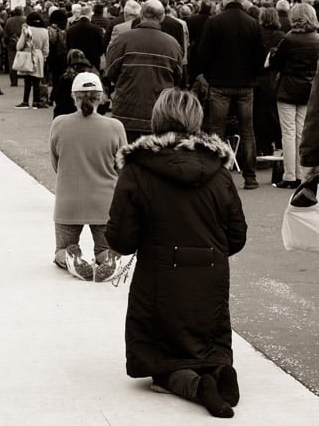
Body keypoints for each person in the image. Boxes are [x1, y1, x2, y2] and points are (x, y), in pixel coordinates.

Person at [106, 88, 247, 418]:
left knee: (164, 361)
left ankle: (196, 387)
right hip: (210, 277)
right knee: (208, 346)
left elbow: (121, 238)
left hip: (160, 280)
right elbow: (236, 235)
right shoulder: (219, 170)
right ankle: (219, 369)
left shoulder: (139, 169)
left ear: (156, 120)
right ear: (197, 121)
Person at [49, 72, 126, 281]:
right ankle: (108, 259)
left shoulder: (59, 124)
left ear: (74, 97)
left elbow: (56, 163)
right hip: (104, 203)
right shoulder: (115, 127)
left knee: (61, 248)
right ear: (101, 98)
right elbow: (123, 168)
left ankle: (70, 257)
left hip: (68, 202)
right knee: (104, 248)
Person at [197, 0, 266, 189]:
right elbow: (259, 57)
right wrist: (252, 76)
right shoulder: (253, 23)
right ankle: (250, 176)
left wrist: (209, 76)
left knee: (217, 128)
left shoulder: (214, 22)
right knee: (247, 130)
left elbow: (203, 55)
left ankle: (217, 174)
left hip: (220, 83)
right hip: (245, 85)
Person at [106, 0, 183, 142]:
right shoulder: (173, 45)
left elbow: (110, 71)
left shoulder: (123, 40)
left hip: (126, 111)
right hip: (159, 115)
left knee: (126, 158)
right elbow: (178, 78)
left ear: (141, 15)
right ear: (162, 17)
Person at [268, 3, 319, 188]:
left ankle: (290, 176)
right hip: (309, 90)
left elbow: (277, 64)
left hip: (288, 91)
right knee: (302, 133)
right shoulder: (317, 39)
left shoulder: (289, 39)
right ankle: (301, 173)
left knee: (288, 133)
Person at [254, 7, 285, 156]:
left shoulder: (255, 34)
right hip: (273, 81)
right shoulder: (281, 36)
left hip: (255, 79)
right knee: (274, 116)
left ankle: (260, 147)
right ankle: (277, 147)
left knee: (257, 116)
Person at [14, 12, 50, 109]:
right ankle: (36, 101)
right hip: (39, 55)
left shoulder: (27, 30)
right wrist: (44, 57)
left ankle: (25, 101)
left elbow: (19, 45)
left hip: (28, 54)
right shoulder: (45, 31)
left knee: (27, 80)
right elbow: (46, 48)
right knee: (37, 80)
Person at [66, 5, 104, 70]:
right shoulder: (97, 29)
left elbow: (68, 47)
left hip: (76, 63)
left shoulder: (70, 30)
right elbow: (102, 47)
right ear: (89, 15)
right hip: (93, 63)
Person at [4, 6, 26, 87]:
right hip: (24, 42)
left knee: (12, 61)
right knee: (25, 59)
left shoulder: (9, 21)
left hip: (12, 42)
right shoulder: (25, 20)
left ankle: (14, 81)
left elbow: (5, 34)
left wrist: (6, 43)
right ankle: (26, 79)